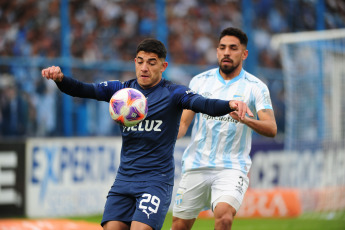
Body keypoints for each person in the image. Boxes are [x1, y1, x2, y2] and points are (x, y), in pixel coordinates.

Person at [41, 38, 253, 230]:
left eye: (151, 62)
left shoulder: (174, 93)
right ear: (134, 61)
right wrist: (60, 79)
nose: (144, 68)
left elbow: (203, 104)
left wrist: (229, 104)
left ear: (163, 66)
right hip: (124, 179)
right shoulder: (122, 92)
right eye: (140, 61)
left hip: (156, 180)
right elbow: (83, 89)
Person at [172, 27, 277, 230]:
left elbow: (271, 128)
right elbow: (184, 123)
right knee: (179, 226)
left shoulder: (256, 87)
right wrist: (160, 138)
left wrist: (246, 120)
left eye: (233, 48)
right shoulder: (199, 81)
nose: (226, 52)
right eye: (222, 47)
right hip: (196, 164)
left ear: (244, 54)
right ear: (217, 51)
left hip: (232, 167)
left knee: (224, 218)